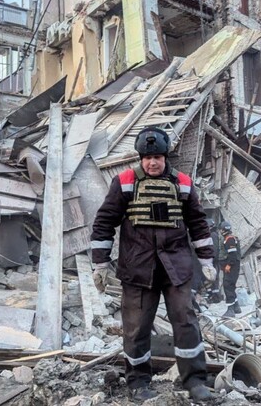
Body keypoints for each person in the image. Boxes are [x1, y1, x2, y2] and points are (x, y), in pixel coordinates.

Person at [90, 126, 216, 402]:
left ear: (165, 157)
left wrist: (206, 260)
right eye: (147, 158)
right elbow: (104, 223)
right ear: (140, 158)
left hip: (176, 268)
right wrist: (100, 264)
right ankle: (138, 382)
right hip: (138, 269)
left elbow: (198, 222)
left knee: (186, 321)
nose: (152, 163)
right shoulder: (124, 182)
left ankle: (195, 381)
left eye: (157, 157)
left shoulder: (183, 183)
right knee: (136, 328)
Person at [219, 220, 242, 318]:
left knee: (228, 286)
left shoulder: (229, 239)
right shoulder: (229, 238)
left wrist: (229, 265)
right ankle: (236, 307)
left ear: (223, 230)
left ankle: (230, 310)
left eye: (221, 229)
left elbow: (232, 254)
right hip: (232, 267)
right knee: (231, 286)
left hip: (231, 267)